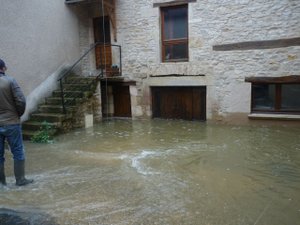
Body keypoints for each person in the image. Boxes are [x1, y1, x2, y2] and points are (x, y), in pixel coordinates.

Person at [0, 58, 33, 186]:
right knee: (18, 151)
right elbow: (21, 101)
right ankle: (20, 180)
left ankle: (2, 183)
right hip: (11, 122)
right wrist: (17, 115)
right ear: (3, 68)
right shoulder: (10, 81)